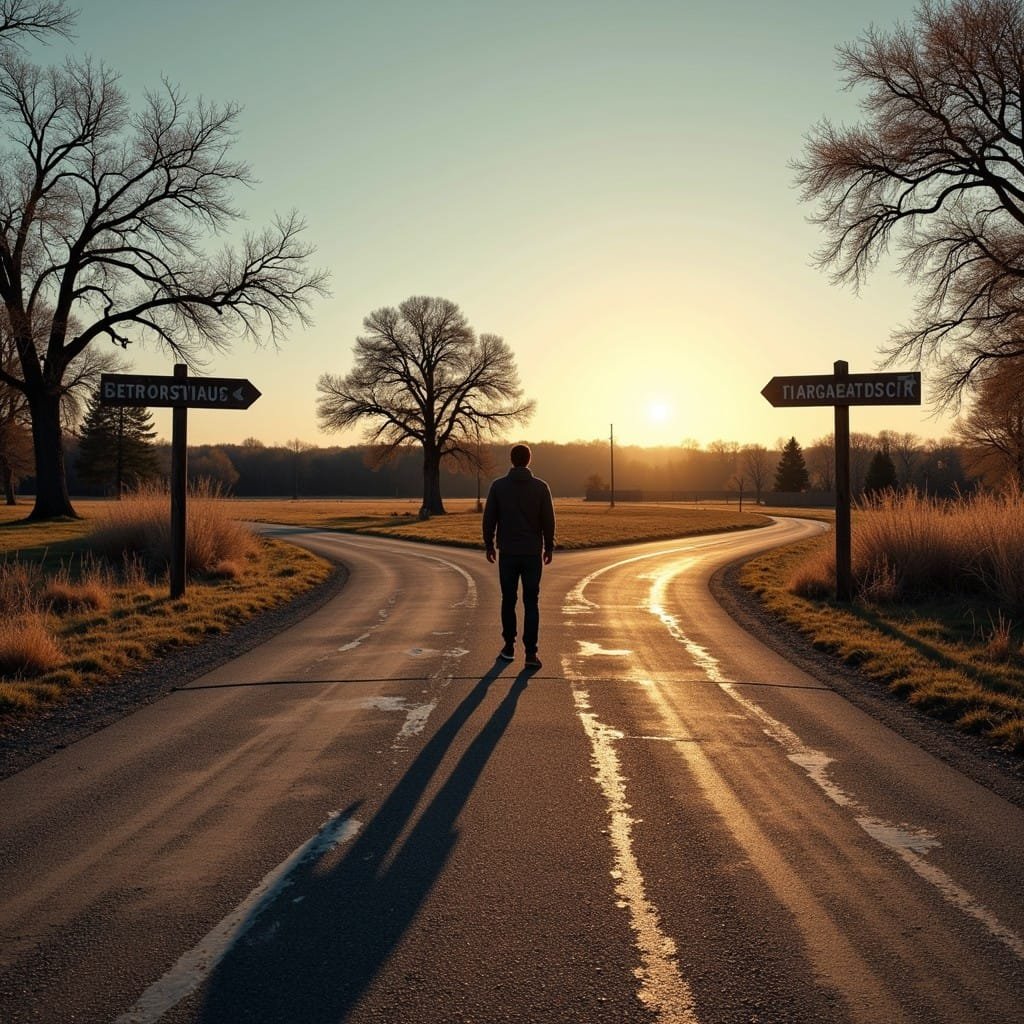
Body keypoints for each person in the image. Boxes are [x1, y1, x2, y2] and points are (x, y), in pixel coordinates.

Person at [482, 443, 555, 669]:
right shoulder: (541, 487)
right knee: (531, 602)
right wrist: (549, 547)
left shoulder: (498, 486)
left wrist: (489, 544)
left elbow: (489, 518)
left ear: (511, 460)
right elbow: (548, 520)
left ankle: (508, 646)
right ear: (529, 460)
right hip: (532, 553)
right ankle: (531, 653)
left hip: (508, 553)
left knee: (508, 599)